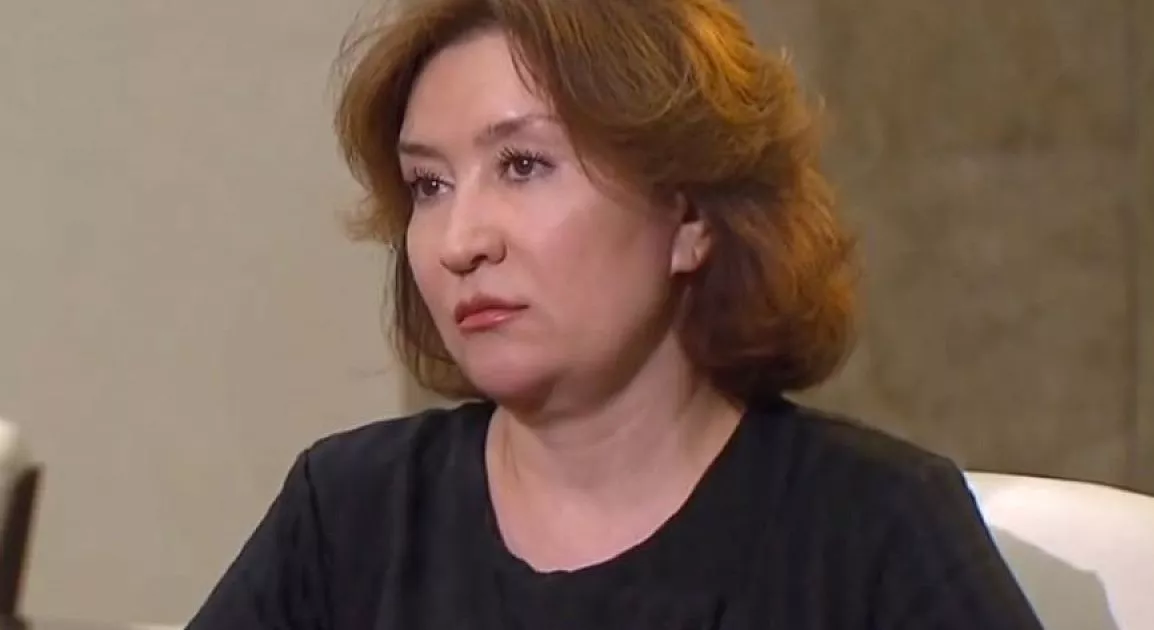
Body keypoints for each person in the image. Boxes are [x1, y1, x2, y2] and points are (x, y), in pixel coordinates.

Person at [187, 0, 1043, 628]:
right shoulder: (349, 516)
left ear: (690, 213)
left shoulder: (874, 532)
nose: (460, 241)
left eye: (523, 165)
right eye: (429, 185)